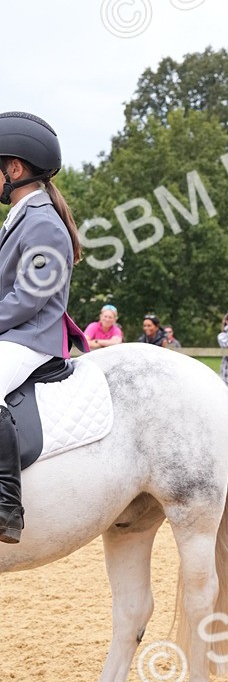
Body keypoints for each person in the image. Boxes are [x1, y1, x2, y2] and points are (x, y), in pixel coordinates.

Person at [0, 111, 87, 544]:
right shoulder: (21, 218)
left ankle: (5, 503)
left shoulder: (43, 223)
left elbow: (27, 299)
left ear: (13, 169)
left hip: (30, 337)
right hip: (14, 333)